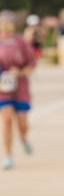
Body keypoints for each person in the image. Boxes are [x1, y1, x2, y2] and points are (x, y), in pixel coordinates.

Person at [0, 11, 36, 170]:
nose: (5, 27)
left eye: (8, 24)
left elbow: (31, 63)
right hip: (3, 90)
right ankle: (8, 156)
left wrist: (19, 72)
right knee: (7, 119)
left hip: (20, 88)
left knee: (22, 122)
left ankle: (24, 138)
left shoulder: (20, 42)